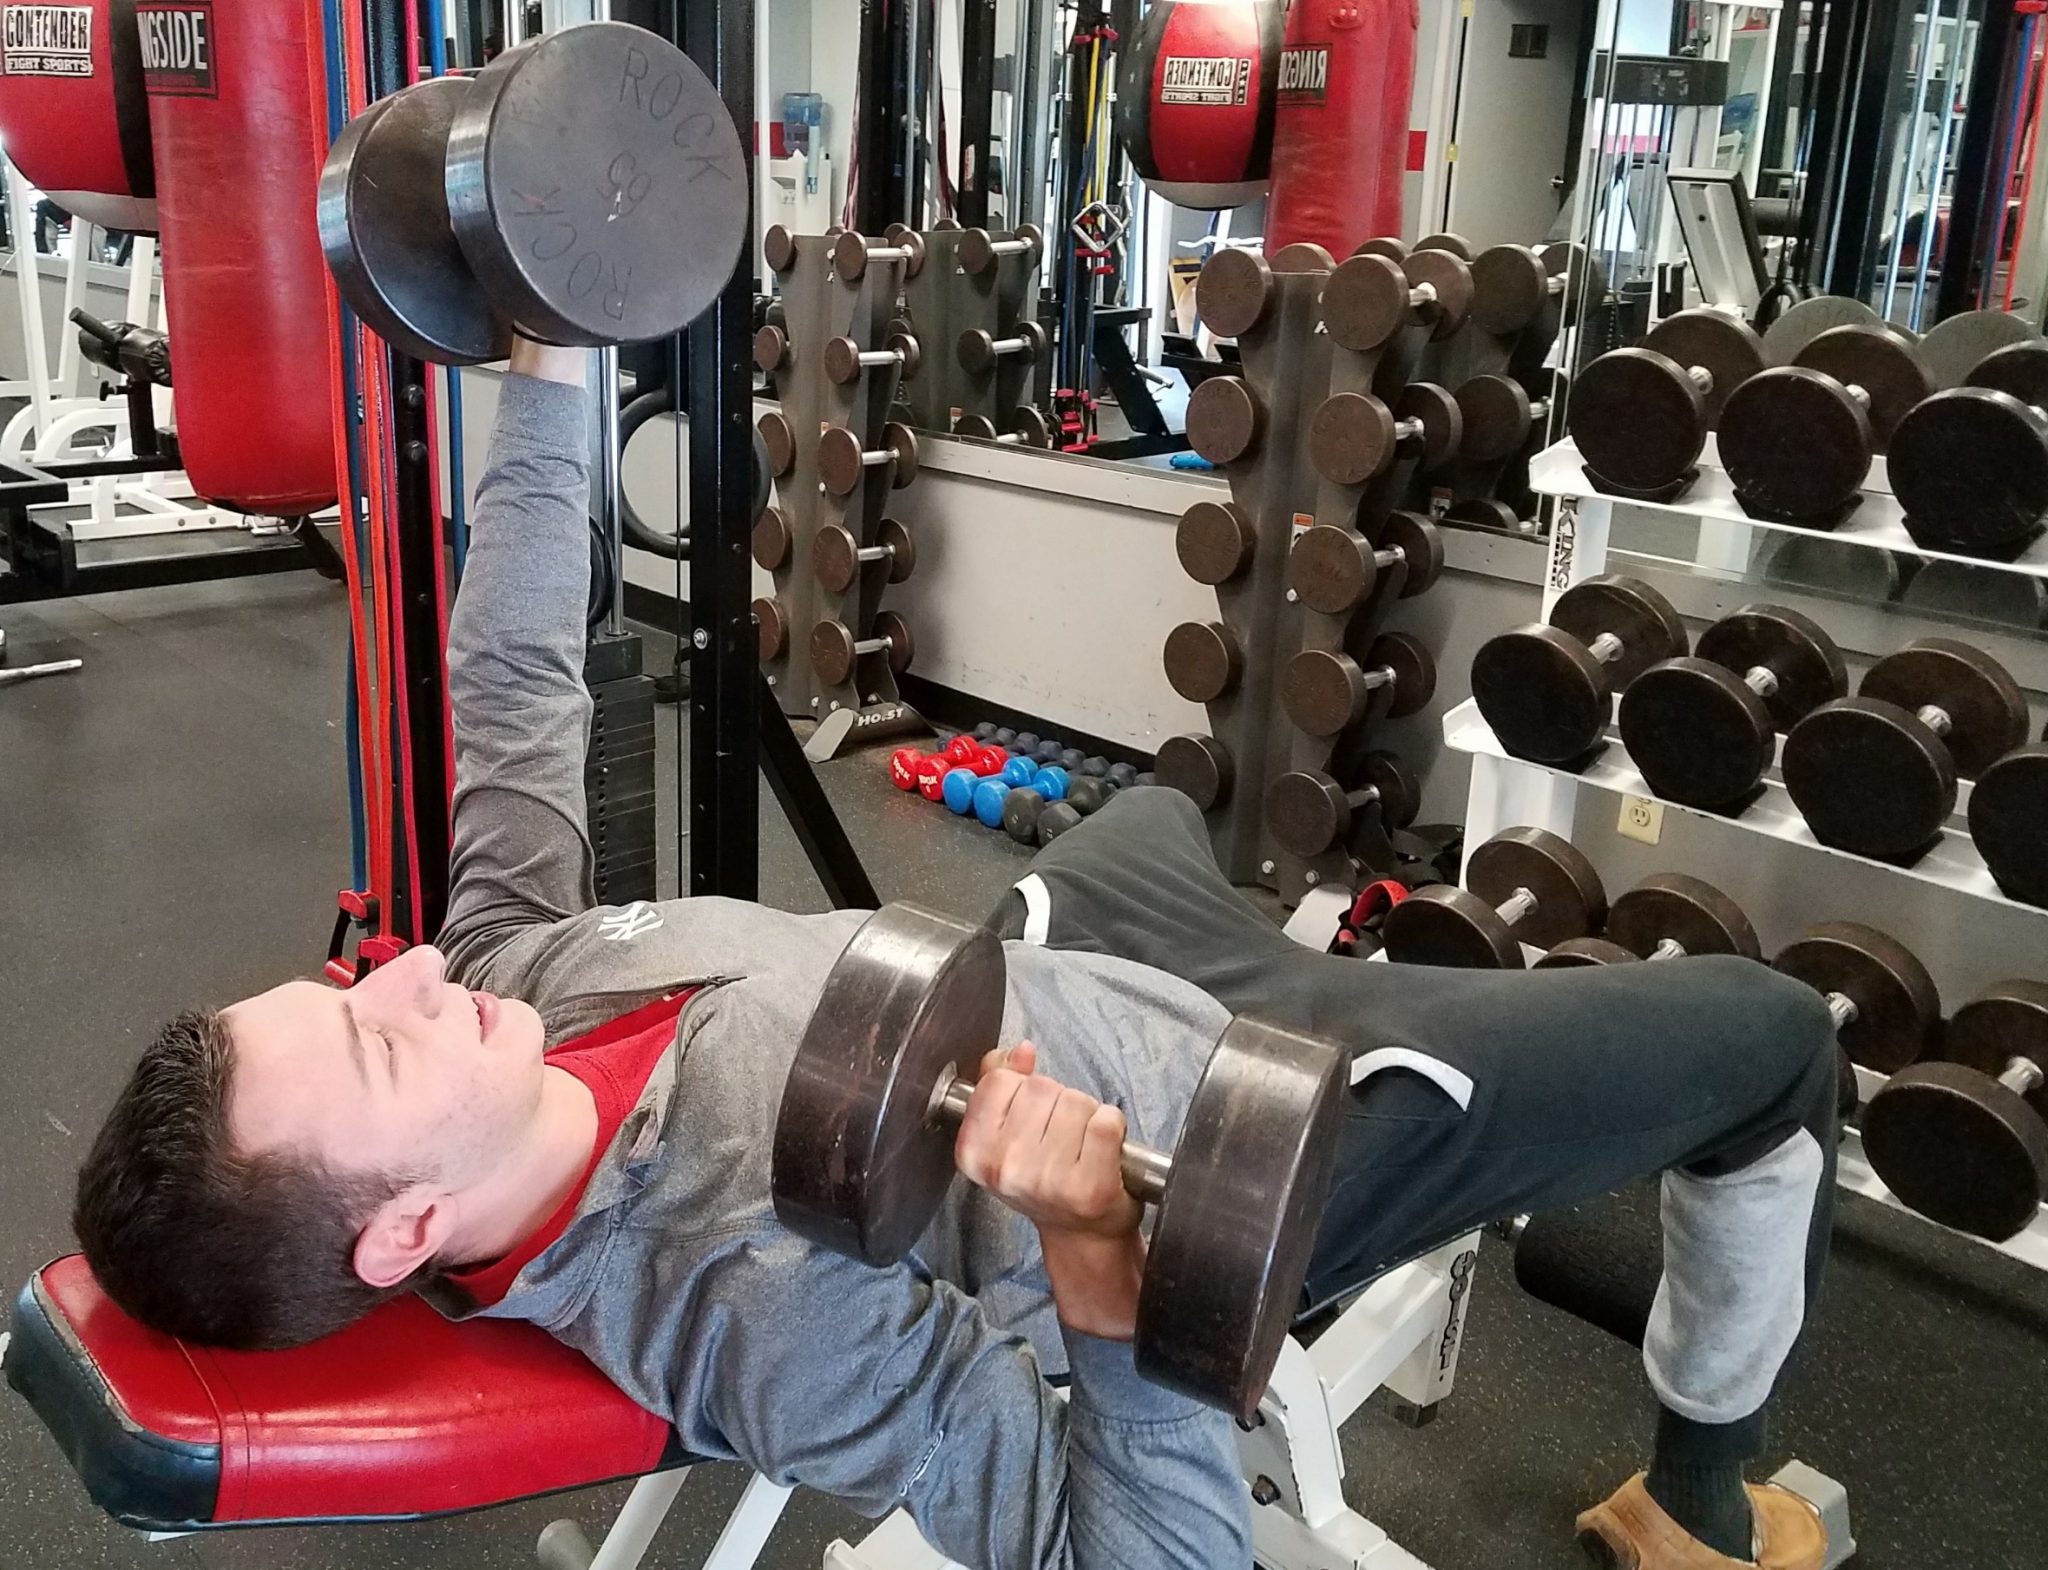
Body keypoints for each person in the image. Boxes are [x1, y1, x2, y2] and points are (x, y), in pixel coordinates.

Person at [72, 339, 1839, 1570]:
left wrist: (545, 361)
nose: (403, 977)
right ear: (400, 1232)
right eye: (378, 1042)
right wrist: (1091, 1255)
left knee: (1160, 792)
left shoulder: (511, 979)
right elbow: (1132, 1546)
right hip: (1234, 1115)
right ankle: (1698, 1489)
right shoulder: (744, 1301)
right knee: (1773, 1044)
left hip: (1019, 961)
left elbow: (516, 678)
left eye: (347, 987)